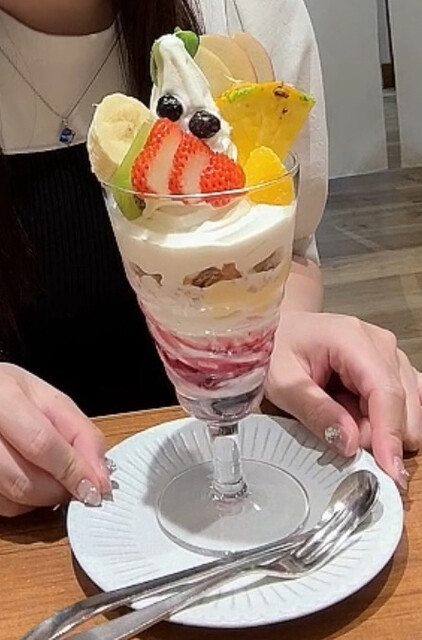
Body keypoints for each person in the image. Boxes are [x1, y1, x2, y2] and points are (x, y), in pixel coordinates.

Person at [0, 0, 420, 518]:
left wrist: (276, 332)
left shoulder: (247, 19)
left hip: (246, 452)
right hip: (38, 521)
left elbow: (291, 246)